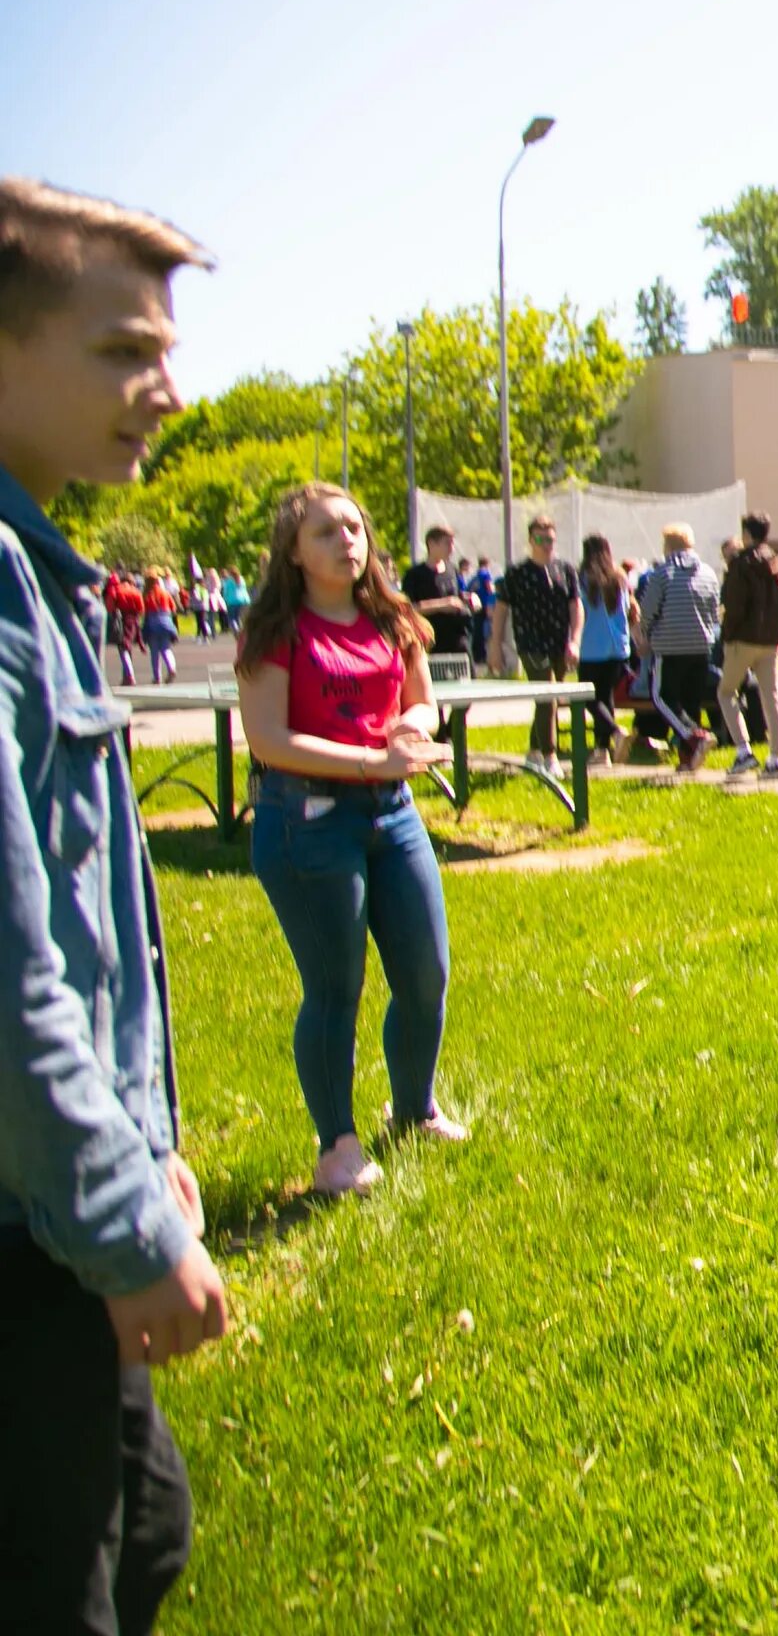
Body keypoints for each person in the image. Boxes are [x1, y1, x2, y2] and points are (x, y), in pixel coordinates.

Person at [0, 179, 230, 1634]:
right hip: (28, 1230)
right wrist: (121, 1219)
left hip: (72, 1195)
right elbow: (12, 977)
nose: (168, 389)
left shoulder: (44, 577)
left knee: (144, 1538)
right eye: (121, 351)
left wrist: (148, 1158)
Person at [236, 482, 466, 1198]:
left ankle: (413, 1109)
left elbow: (421, 698)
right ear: (294, 553)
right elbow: (269, 739)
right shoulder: (277, 630)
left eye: (355, 528)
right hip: (306, 822)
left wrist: (413, 726)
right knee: (337, 988)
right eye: (326, 533)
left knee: (426, 974)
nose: (347, 541)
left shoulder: (391, 618)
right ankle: (336, 1146)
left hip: (391, 813)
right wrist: (371, 759)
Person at [631, 523, 722, 774]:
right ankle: (688, 758)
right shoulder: (708, 573)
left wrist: (645, 637)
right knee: (690, 702)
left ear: (668, 546)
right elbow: (714, 613)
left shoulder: (663, 573)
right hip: (702, 647)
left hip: (670, 647)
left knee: (664, 698)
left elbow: (648, 612)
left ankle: (695, 737)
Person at [499, 515, 581, 773]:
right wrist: (494, 645)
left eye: (550, 539)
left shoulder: (565, 570)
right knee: (548, 696)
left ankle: (534, 751)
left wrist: (575, 640)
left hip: (559, 642)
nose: (546, 544)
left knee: (548, 697)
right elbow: (501, 609)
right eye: (540, 539)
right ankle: (550, 756)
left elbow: (576, 606)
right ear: (531, 540)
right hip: (530, 643)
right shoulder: (517, 573)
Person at [713, 511, 778, 779]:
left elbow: (734, 606)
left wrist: (727, 635)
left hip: (743, 638)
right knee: (771, 697)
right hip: (770, 640)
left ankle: (743, 751)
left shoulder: (741, 564)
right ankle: (775, 759)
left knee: (725, 693)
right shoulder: (777, 562)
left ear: (747, 534)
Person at [574, 533, 632, 764]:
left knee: (589, 699)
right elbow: (626, 610)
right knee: (605, 698)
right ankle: (602, 750)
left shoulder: (584, 579)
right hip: (617, 648)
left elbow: (579, 609)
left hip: (591, 648)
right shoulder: (619, 578)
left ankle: (616, 732)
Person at [401, 523, 473, 666]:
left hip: (457, 641)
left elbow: (457, 596)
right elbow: (407, 609)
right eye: (447, 543)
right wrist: (441, 605)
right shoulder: (415, 575)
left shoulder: (452, 570)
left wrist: (468, 599)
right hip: (430, 642)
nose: (452, 548)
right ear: (432, 544)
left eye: (452, 543)